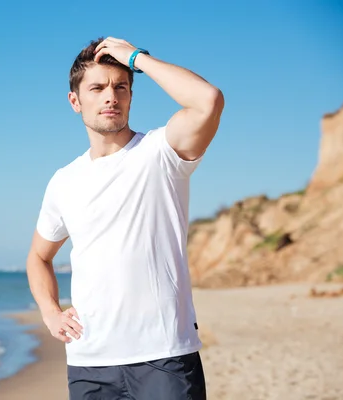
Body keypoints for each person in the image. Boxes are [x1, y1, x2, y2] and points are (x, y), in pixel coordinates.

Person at [25, 36, 224, 400]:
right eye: (97, 88)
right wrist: (51, 313)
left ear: (131, 96)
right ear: (75, 101)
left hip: (164, 356)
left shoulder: (161, 152)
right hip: (89, 361)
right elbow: (39, 257)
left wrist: (136, 58)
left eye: (121, 87)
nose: (110, 97)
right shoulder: (63, 181)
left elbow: (207, 100)